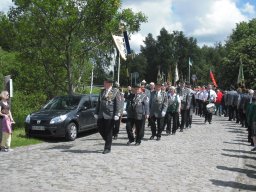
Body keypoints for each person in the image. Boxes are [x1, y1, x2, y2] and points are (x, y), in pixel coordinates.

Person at [94, 78, 121, 154]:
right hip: (101, 114)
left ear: (109, 83)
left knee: (109, 131)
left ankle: (107, 148)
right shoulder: (102, 91)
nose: (104, 84)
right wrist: (96, 112)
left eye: (105, 82)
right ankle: (108, 140)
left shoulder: (115, 91)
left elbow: (117, 104)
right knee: (100, 128)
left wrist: (116, 114)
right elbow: (99, 103)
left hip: (110, 114)